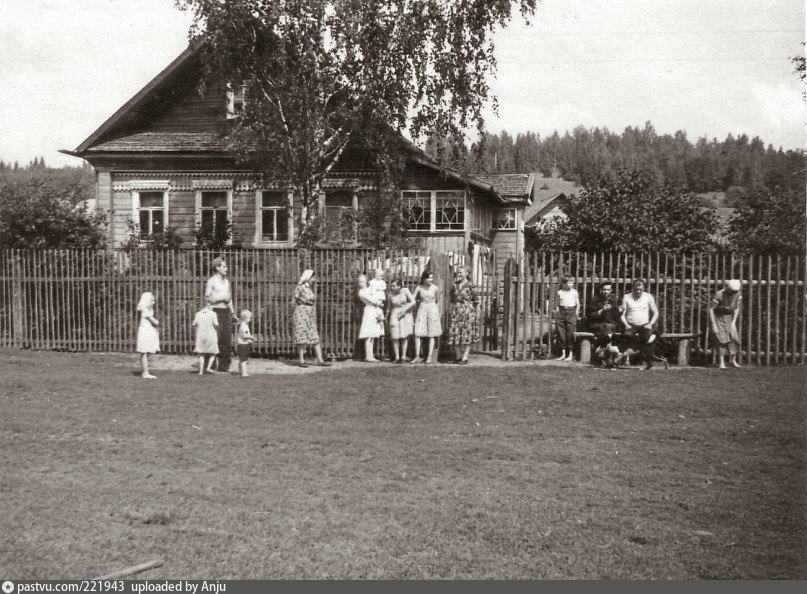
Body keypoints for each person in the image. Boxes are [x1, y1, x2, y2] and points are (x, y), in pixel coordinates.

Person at [205, 257, 237, 372]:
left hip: (225, 312)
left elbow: (229, 299)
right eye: (224, 266)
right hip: (215, 312)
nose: (226, 269)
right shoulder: (212, 281)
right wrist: (222, 297)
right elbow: (208, 298)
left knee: (226, 339)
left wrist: (233, 313)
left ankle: (224, 366)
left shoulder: (226, 282)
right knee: (214, 338)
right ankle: (210, 366)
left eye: (226, 266)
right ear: (217, 267)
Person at [293, 269, 330, 368]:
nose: (314, 279)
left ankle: (320, 360)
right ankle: (301, 360)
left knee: (314, 336)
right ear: (308, 278)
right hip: (301, 313)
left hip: (309, 315)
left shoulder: (309, 288)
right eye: (312, 277)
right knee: (301, 336)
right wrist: (305, 301)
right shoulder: (300, 287)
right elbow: (295, 299)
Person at [620, 278, 659, 370]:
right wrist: (626, 324)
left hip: (644, 325)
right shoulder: (627, 297)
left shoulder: (648, 297)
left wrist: (650, 324)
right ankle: (626, 358)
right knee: (627, 335)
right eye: (636, 289)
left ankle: (648, 361)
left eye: (640, 289)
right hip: (631, 324)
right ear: (632, 288)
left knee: (647, 338)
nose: (638, 291)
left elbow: (656, 312)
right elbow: (622, 315)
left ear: (643, 288)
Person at [447, 266, 480, 365]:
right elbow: (452, 300)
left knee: (467, 334)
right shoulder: (454, 286)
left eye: (461, 273)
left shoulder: (471, 285)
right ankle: (458, 356)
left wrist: (474, 312)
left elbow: (476, 300)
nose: (459, 274)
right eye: (458, 272)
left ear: (466, 274)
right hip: (457, 312)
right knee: (456, 333)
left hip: (467, 312)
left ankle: (465, 357)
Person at [710, 279, 742, 370]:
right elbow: (711, 310)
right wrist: (714, 325)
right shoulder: (719, 294)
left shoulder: (737, 295)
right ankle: (722, 363)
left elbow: (736, 308)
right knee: (721, 340)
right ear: (728, 288)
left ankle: (733, 361)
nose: (733, 293)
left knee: (734, 339)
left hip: (730, 319)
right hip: (719, 318)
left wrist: (733, 322)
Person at [411, 270, 441, 364]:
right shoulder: (419, 288)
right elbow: (412, 299)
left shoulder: (435, 288)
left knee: (431, 334)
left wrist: (437, 313)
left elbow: (437, 300)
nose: (430, 280)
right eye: (428, 278)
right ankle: (417, 356)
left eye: (432, 278)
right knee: (418, 333)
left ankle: (429, 357)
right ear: (424, 279)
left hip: (432, 310)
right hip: (422, 310)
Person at [357, 274, 385, 362]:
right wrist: (379, 303)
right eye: (359, 282)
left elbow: (376, 294)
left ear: (366, 281)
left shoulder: (369, 289)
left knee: (372, 334)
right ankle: (368, 356)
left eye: (363, 281)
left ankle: (370, 355)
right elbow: (372, 300)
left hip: (374, 311)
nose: (361, 283)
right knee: (368, 335)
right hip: (369, 311)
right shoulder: (361, 292)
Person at [387, 277, 415, 363]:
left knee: (404, 336)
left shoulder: (405, 291)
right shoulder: (390, 295)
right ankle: (397, 357)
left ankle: (403, 356)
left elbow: (413, 302)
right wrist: (385, 316)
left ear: (399, 286)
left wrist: (404, 311)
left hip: (405, 314)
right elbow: (388, 308)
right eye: (391, 286)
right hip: (394, 314)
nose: (392, 288)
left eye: (394, 286)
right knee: (395, 336)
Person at [555, 276, 580, 362]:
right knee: (561, 333)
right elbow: (557, 305)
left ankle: (570, 354)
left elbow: (578, 304)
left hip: (571, 312)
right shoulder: (560, 292)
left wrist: (576, 312)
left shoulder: (574, 292)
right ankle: (563, 354)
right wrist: (558, 313)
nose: (571, 284)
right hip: (562, 312)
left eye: (572, 282)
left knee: (570, 333)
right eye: (569, 283)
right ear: (564, 283)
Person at [136, 291, 159, 379]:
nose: (154, 302)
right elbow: (154, 321)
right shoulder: (145, 310)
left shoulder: (149, 310)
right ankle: (145, 372)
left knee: (148, 350)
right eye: (152, 301)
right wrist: (157, 322)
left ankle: (145, 371)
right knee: (144, 351)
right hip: (145, 332)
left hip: (149, 331)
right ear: (146, 301)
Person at [193, 303, 219, 375]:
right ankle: (208, 367)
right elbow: (216, 324)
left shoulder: (198, 314)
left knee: (201, 353)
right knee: (214, 352)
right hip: (211, 334)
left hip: (200, 335)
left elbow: (194, 324)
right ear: (211, 306)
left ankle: (200, 371)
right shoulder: (213, 314)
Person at [236, 309, 256, 377]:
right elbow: (245, 336)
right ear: (245, 318)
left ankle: (240, 371)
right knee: (244, 360)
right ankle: (244, 373)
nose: (250, 319)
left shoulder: (242, 325)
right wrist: (251, 337)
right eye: (249, 318)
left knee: (241, 359)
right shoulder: (244, 326)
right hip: (244, 345)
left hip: (240, 344)